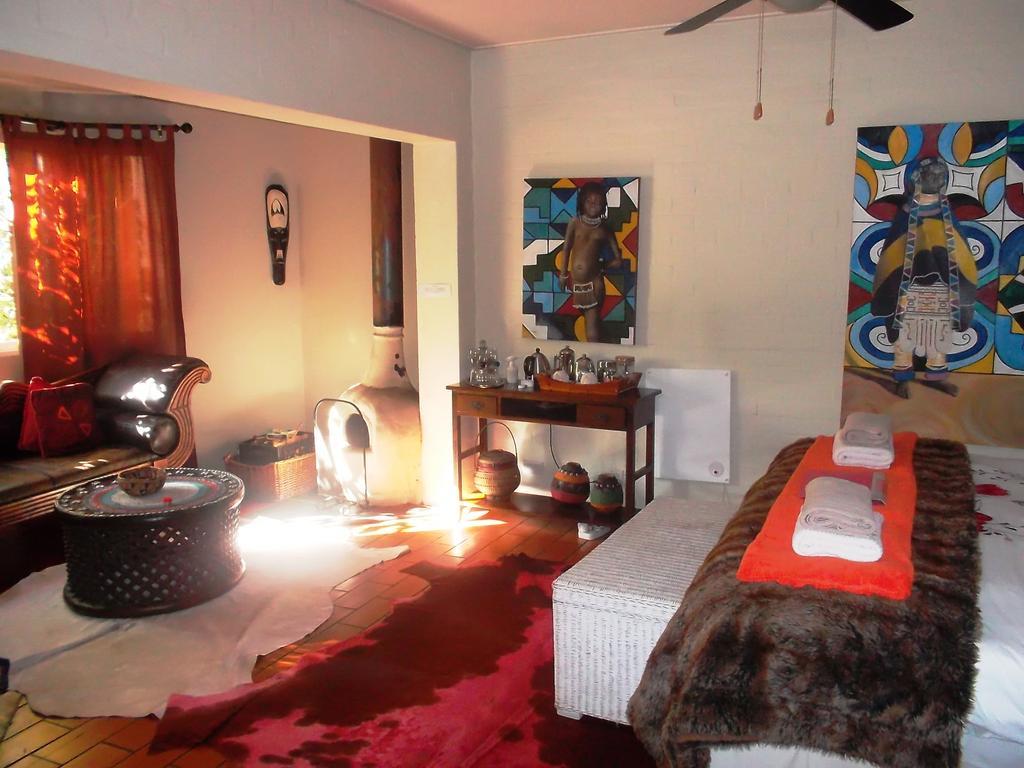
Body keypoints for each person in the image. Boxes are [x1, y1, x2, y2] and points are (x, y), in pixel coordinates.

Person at [871, 156, 976, 383]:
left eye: (937, 176)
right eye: (929, 175)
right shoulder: (906, 214)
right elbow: (894, 252)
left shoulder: (945, 215)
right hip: (910, 288)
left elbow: (959, 252)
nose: (933, 179)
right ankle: (906, 367)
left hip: (939, 288)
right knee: (906, 331)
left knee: (937, 333)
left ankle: (932, 368)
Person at [558, 182, 623, 342]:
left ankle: (593, 354)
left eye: (598, 202)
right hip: (577, 283)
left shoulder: (605, 229)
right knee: (590, 323)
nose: (594, 205)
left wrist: (601, 266)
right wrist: (563, 274)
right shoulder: (575, 222)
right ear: (582, 202)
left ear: (603, 205)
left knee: (592, 325)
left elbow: (618, 260)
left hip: (594, 283)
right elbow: (567, 248)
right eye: (589, 201)